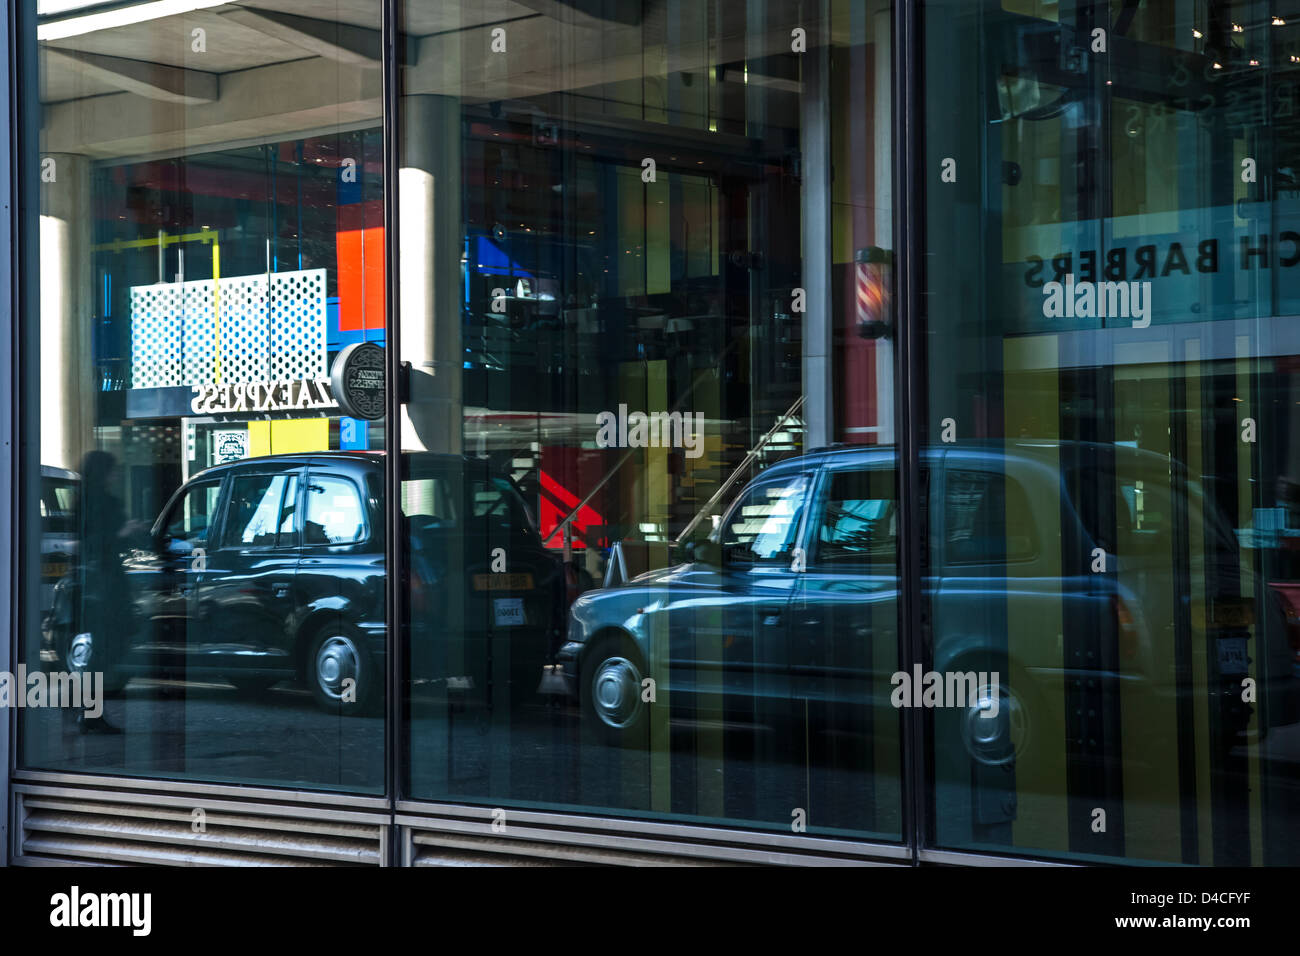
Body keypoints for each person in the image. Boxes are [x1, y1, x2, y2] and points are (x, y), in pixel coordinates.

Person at [71, 450, 139, 734]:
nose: (117, 475)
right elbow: (92, 542)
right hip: (102, 585)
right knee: (102, 648)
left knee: (106, 646)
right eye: (113, 470)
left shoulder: (96, 501)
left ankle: (89, 708)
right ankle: (90, 709)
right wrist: (122, 534)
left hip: (104, 583)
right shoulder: (93, 502)